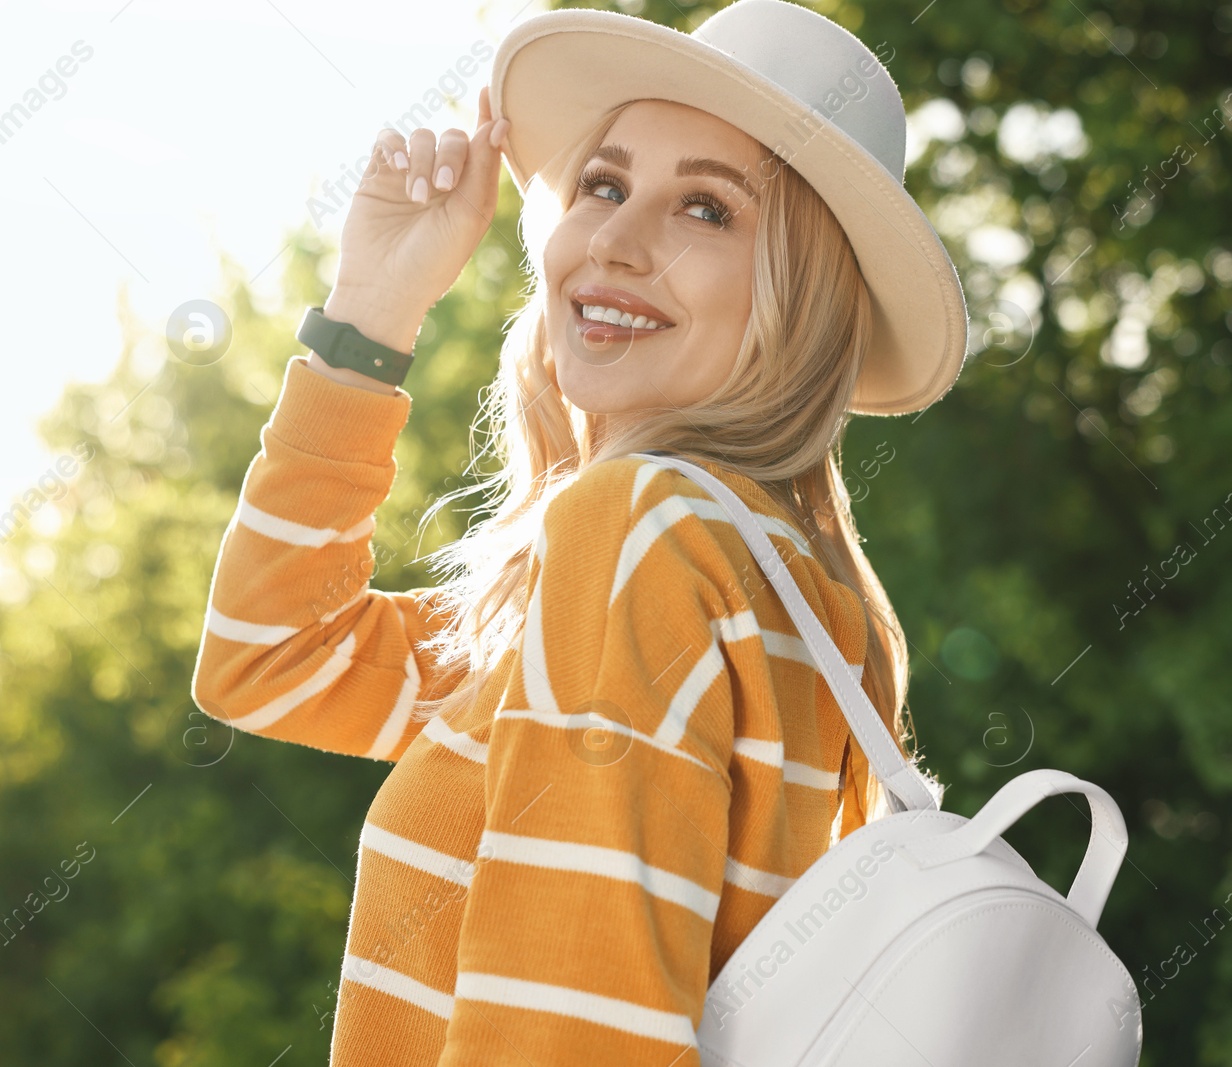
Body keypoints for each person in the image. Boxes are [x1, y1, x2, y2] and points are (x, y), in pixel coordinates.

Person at [191, 1, 967, 1062]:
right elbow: (271, 656)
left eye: (706, 209)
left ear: (806, 296)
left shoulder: (645, 532)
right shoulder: (753, 577)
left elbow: (570, 1036)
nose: (613, 238)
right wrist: (370, 307)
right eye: (603, 185)